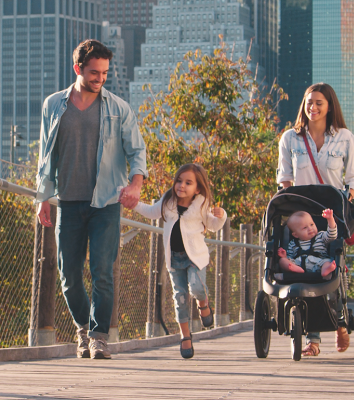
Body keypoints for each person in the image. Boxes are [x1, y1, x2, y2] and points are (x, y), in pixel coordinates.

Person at [36, 39, 147, 360]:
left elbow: (137, 151)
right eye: (94, 72)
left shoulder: (118, 108)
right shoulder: (54, 105)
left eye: (104, 73)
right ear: (78, 69)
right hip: (68, 202)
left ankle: (98, 337)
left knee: (102, 272)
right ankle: (83, 329)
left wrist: (136, 183)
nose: (100, 78)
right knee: (69, 276)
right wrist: (43, 197)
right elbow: (46, 155)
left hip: (106, 203)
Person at [277, 82, 354, 357]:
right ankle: (311, 339)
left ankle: (339, 321)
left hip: (331, 215)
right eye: (309, 102)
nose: (312, 108)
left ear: (329, 107)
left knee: (330, 269)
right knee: (304, 270)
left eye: (319, 103)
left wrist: (342, 202)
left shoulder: (344, 138)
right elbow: (284, 179)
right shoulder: (290, 138)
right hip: (301, 215)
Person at [133, 163, 227, 359]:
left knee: (197, 288)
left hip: (195, 257)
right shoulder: (168, 201)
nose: (181, 186)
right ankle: (185, 336)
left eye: (188, 182)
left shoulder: (201, 205)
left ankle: (203, 304)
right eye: (179, 180)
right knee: (181, 297)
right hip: (174, 258)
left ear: (198, 188)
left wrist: (221, 216)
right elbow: (151, 212)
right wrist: (133, 203)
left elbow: (213, 225)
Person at [278, 209, 337, 278]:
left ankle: (325, 270)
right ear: (296, 235)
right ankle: (295, 270)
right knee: (282, 261)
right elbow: (290, 257)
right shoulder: (293, 244)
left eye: (311, 224)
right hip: (298, 264)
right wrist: (284, 257)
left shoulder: (320, 236)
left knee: (327, 261)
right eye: (305, 228)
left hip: (318, 263)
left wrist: (330, 219)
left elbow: (332, 235)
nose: (310, 228)